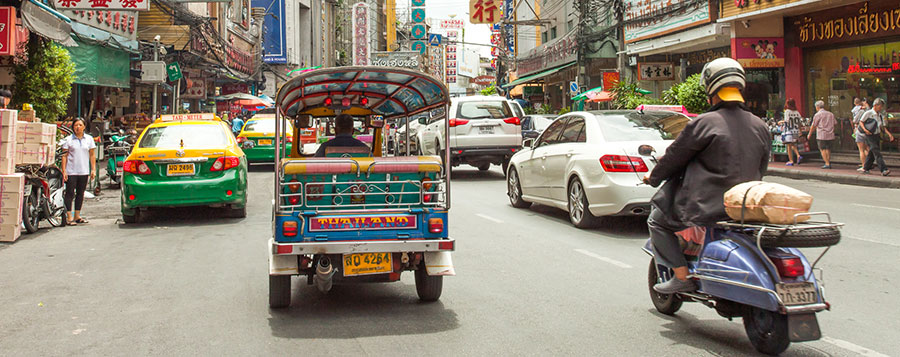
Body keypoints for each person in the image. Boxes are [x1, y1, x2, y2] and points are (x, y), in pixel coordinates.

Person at [643, 58, 770, 294]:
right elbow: (762, 168)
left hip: (707, 207)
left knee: (657, 221)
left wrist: (653, 178)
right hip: (745, 206)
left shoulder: (703, 123)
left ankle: (682, 277)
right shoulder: (760, 126)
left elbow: (673, 158)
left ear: (711, 89)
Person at [60, 118, 97, 225]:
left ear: (84, 127)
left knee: (80, 193)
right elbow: (64, 156)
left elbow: (92, 154)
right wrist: (64, 171)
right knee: (70, 193)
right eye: (76, 125)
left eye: (80, 125)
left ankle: (77, 215)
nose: (78, 127)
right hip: (71, 171)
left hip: (83, 171)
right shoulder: (68, 140)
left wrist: (93, 169)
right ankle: (69, 216)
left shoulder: (89, 139)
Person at [857, 98, 895, 176]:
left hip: (876, 135)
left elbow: (882, 127)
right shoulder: (868, 113)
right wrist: (865, 130)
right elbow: (861, 122)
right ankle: (884, 169)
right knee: (877, 152)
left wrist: (889, 134)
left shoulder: (880, 115)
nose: (881, 108)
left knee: (872, 152)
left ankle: (865, 168)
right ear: (875, 105)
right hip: (870, 135)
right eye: (880, 106)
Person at [808, 100, 837, 169]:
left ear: (817, 107)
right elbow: (835, 123)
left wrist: (810, 134)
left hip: (821, 134)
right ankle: (828, 162)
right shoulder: (830, 114)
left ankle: (826, 163)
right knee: (828, 149)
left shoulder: (818, 115)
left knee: (822, 149)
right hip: (830, 134)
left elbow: (813, 125)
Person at [779, 98, 803, 166]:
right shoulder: (797, 112)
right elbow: (799, 122)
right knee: (792, 144)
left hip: (789, 130)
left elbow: (787, 120)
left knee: (789, 146)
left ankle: (791, 160)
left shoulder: (787, 111)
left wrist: (781, 121)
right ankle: (798, 155)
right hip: (796, 130)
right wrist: (800, 131)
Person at [852, 98, 870, 168]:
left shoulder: (860, 111)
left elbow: (855, 120)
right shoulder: (869, 111)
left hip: (860, 130)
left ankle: (864, 165)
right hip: (867, 130)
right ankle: (869, 163)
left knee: (861, 149)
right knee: (867, 148)